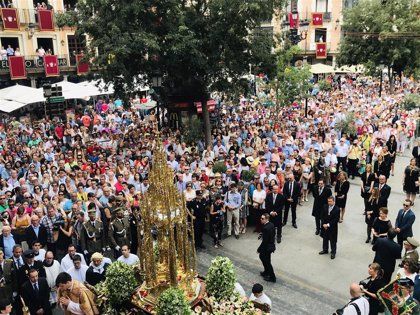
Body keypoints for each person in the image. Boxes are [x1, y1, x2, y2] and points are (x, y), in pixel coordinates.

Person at [257, 213, 276, 283]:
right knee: (265, 259)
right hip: (270, 246)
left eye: (262, 219)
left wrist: (259, 249)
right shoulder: (271, 224)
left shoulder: (266, 228)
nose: (261, 220)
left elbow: (265, 241)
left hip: (267, 247)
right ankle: (266, 272)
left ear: (267, 219)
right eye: (261, 218)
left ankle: (272, 277)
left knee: (267, 261)